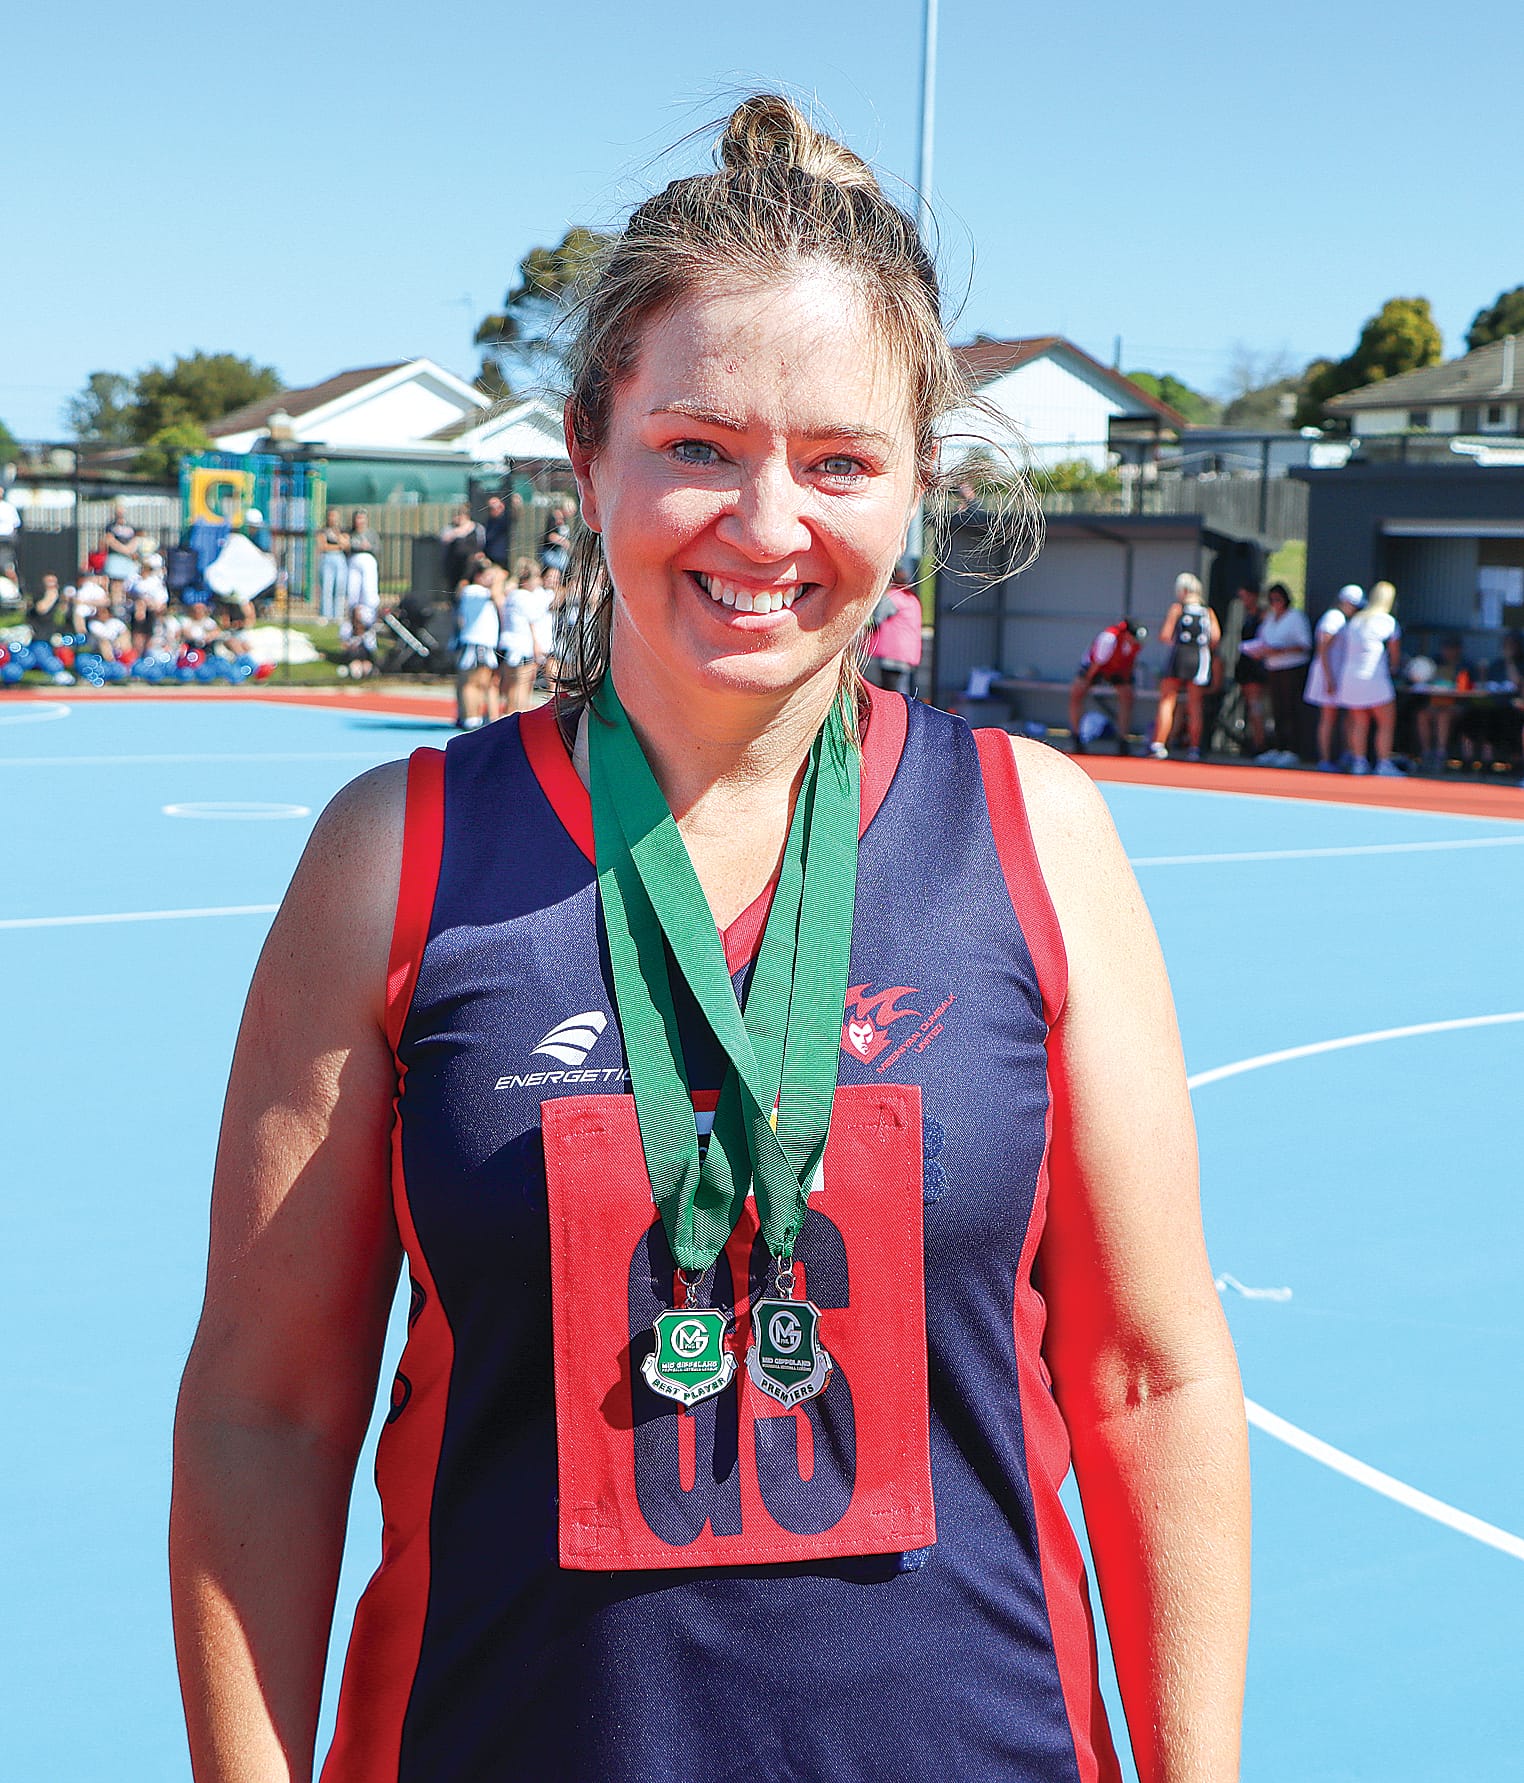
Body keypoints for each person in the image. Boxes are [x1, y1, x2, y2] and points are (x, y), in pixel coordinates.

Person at [171, 94, 1248, 1783]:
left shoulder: (1032, 832)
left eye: (837, 459)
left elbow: (1142, 1375)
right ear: (585, 455)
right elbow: (268, 1409)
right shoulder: (397, 859)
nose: (763, 522)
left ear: (915, 490)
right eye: (695, 444)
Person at [1148, 571, 1220, 760]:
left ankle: (1159, 744)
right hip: (1198, 658)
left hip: (1179, 656)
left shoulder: (1177, 609)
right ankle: (1194, 748)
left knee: (1167, 700)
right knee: (1195, 703)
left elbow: (1165, 635)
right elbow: (1215, 638)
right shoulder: (1208, 612)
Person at [1335, 579, 1403, 775]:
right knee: (1386, 722)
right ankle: (1383, 764)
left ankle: (1359, 762)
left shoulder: (1355, 620)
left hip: (1351, 678)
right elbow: (1395, 656)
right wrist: (1395, 668)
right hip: (1374, 677)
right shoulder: (1387, 621)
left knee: (1359, 722)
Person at [1243, 581, 1312, 762]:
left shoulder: (1296, 617)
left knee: (1290, 709)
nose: (1274, 603)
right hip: (1273, 668)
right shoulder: (1270, 618)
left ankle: (1292, 749)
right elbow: (1262, 639)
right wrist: (1260, 651)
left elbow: (1305, 645)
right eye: (1271, 600)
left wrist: (1280, 650)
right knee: (1277, 710)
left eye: (1277, 599)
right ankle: (1279, 746)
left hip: (1292, 669)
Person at [1304, 583, 1364, 771]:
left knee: (1347, 716)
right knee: (1328, 717)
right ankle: (1325, 759)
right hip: (1328, 675)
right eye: (1354, 605)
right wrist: (1329, 678)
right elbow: (1323, 649)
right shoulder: (1334, 618)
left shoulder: (1344, 619)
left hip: (1339, 676)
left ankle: (1346, 754)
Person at [1068, 615, 1144, 754]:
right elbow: (1097, 662)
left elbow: (1129, 663)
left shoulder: (1135, 643)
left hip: (1116, 668)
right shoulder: (1109, 638)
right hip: (1095, 666)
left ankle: (1123, 740)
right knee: (1077, 693)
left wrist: (1125, 680)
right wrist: (1087, 680)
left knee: (1127, 696)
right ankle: (1077, 737)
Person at [453, 553, 502, 729]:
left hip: (482, 642)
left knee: (481, 682)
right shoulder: (473, 590)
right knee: (471, 682)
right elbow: (496, 593)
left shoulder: (474, 591)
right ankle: (470, 716)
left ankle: (471, 715)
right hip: (476, 641)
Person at [863, 554, 923, 695]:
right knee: (902, 692)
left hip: (892, 653)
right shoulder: (912, 599)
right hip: (908, 653)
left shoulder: (892, 598)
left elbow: (876, 619)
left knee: (890, 691)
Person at [1231, 580, 1268, 755]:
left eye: (1245, 596)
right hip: (1245, 666)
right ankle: (1253, 740)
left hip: (1256, 668)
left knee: (1256, 707)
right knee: (1250, 707)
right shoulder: (1245, 615)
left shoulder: (1263, 616)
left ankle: (1260, 743)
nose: (1243, 600)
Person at [99, 501, 140, 601]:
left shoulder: (130, 527)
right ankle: (115, 604)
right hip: (115, 559)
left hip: (127, 560)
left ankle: (122, 605)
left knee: (124, 586)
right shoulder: (110, 527)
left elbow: (135, 541)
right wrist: (124, 549)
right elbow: (109, 540)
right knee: (115, 584)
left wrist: (128, 550)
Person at [440, 505, 484, 594]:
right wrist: (458, 531)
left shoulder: (477, 527)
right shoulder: (449, 528)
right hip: (454, 565)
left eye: (461, 515)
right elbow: (444, 539)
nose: (458, 518)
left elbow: (482, 542)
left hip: (471, 566)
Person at [317, 509, 350, 622]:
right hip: (327, 558)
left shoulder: (341, 530)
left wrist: (338, 537)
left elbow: (346, 544)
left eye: (335, 516)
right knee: (327, 587)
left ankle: (338, 615)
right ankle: (325, 615)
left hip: (340, 559)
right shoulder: (323, 531)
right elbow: (323, 546)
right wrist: (337, 546)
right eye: (331, 516)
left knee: (340, 588)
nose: (333, 519)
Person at [345, 509, 379, 616]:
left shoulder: (371, 533)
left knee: (369, 588)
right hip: (354, 561)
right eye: (358, 518)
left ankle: (370, 613)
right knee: (353, 589)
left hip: (368, 560)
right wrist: (358, 546)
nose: (359, 521)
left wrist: (369, 547)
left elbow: (377, 548)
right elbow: (346, 546)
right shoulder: (351, 533)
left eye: (362, 518)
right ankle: (353, 614)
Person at [482, 493, 513, 569]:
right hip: (489, 556)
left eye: (497, 507)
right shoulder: (488, 522)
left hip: (501, 556)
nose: (494, 510)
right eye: (491, 508)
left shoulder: (505, 519)